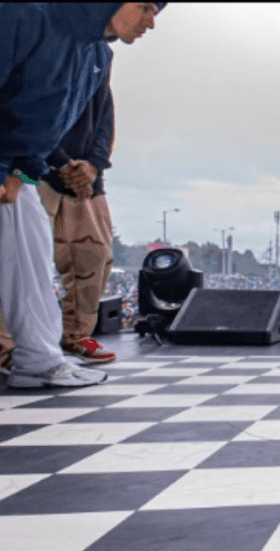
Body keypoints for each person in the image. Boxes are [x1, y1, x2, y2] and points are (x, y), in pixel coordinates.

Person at [0, 2, 164, 388]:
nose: (150, 23)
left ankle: (38, 361)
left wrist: (21, 175)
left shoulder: (96, 56)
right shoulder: (23, 15)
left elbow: (45, 135)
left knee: (32, 250)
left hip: (17, 168)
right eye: (144, 7)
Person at [36, 75, 119, 365]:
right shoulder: (44, 42)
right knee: (19, 257)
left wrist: (94, 166)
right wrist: (60, 162)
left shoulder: (99, 54)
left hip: (85, 180)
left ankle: (76, 334)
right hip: (28, 172)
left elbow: (105, 119)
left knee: (95, 256)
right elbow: (31, 111)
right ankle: (6, 343)